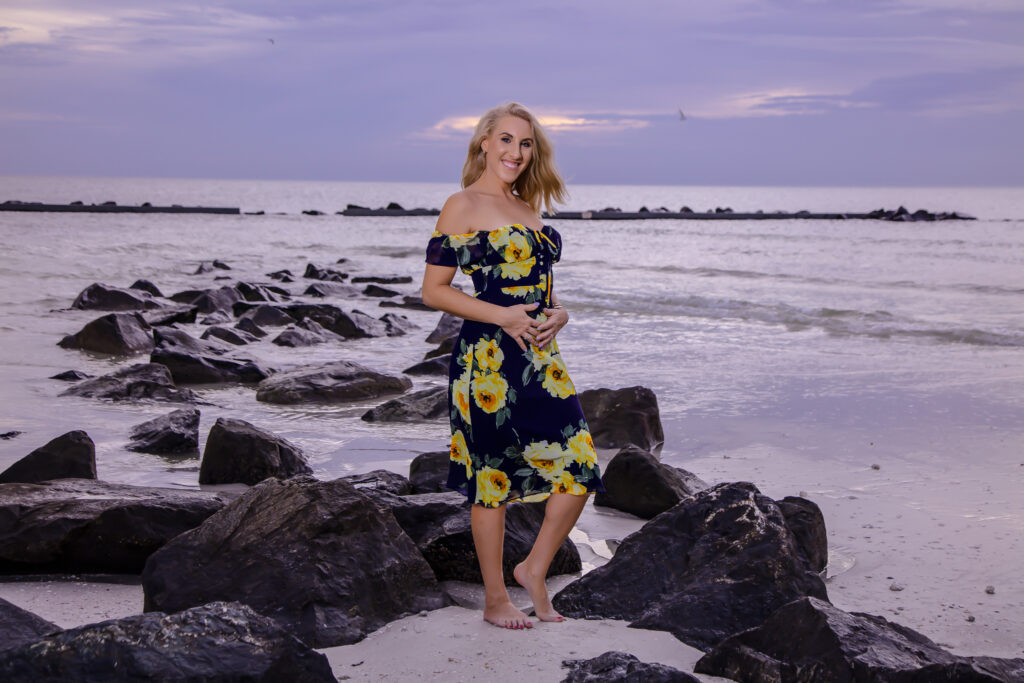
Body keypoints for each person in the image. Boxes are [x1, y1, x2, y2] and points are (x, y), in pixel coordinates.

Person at [421, 102, 605, 630]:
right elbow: (434, 291)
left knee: (579, 470)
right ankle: (496, 600)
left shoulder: (530, 208)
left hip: (541, 357)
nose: (516, 153)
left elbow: (542, 292)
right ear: (484, 143)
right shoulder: (462, 204)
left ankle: (534, 568)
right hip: (486, 360)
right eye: (506, 140)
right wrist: (501, 315)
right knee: (492, 480)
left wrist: (561, 313)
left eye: (525, 144)